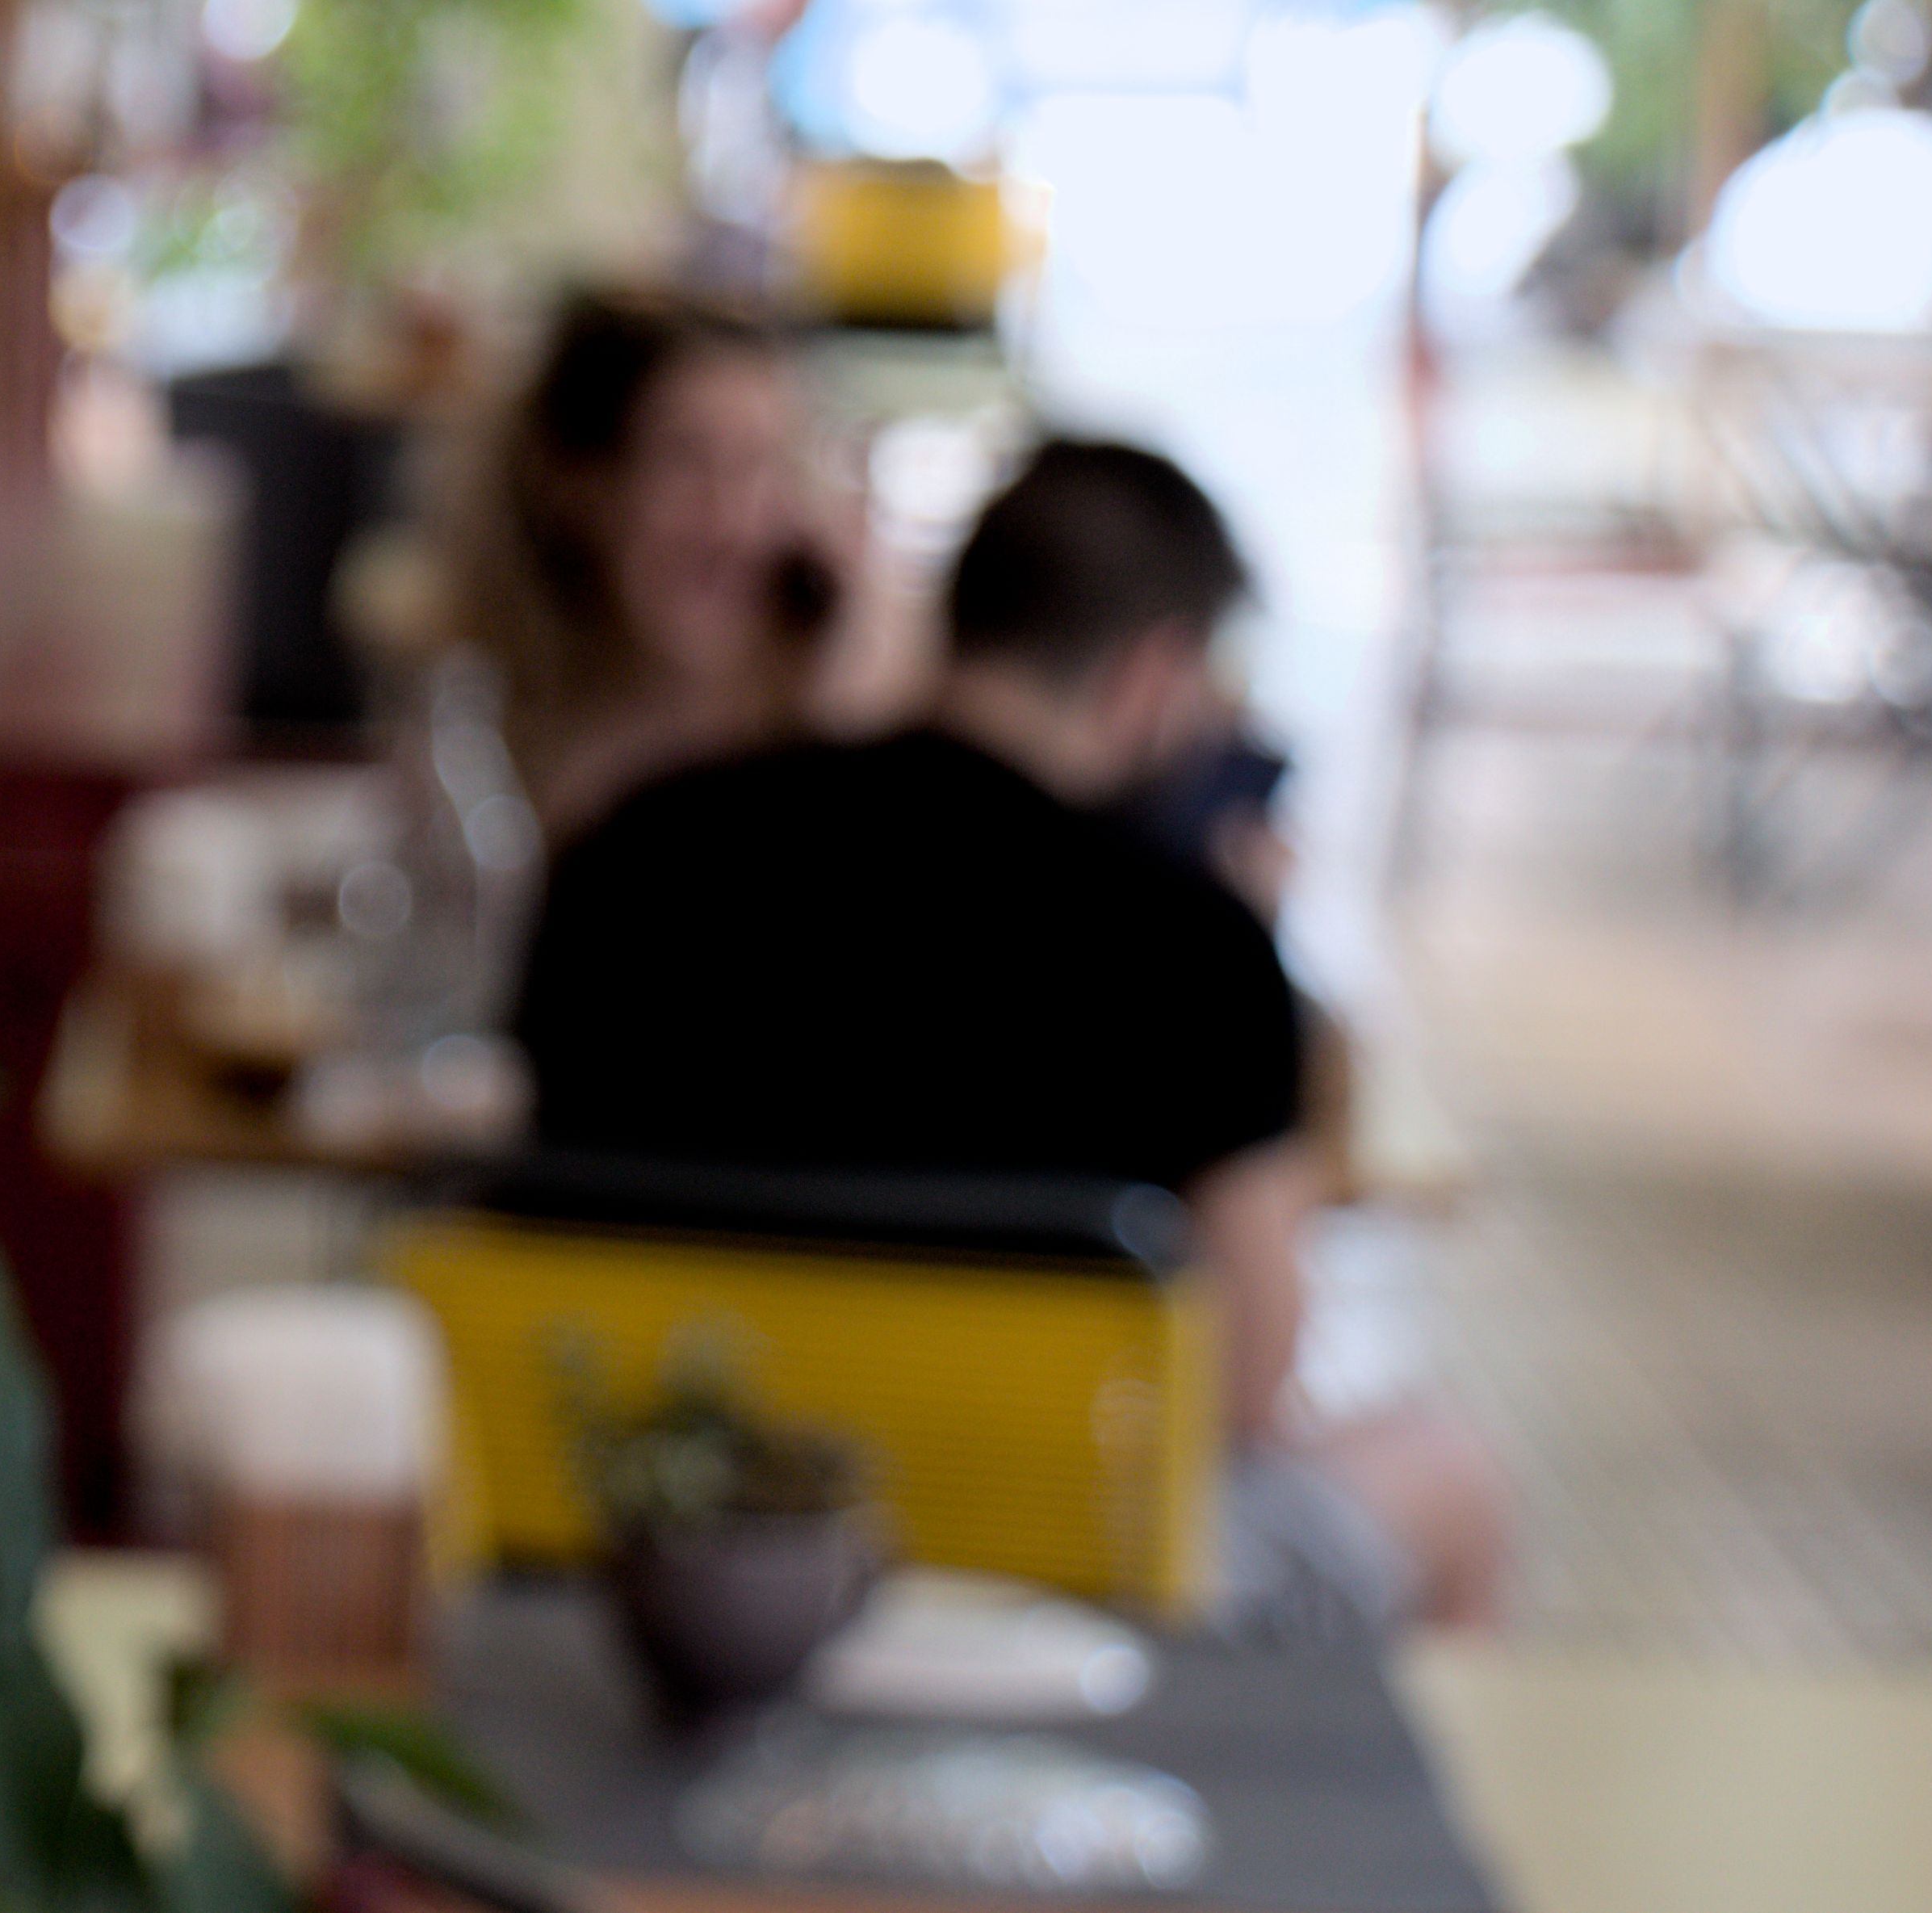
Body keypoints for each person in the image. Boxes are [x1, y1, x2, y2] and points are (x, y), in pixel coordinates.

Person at [509, 439, 1502, 1639]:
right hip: (1061, 1563)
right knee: (1446, 1473)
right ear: (1152, 674)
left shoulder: (632, 850)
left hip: (641, 1514)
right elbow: (1248, 1382)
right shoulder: (1195, 940)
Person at [455, 289, 846, 845]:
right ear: (575, 482)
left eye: (765, 466)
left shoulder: (836, 751)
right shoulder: (473, 759)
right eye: (684, 460)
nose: (735, 520)